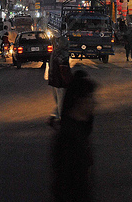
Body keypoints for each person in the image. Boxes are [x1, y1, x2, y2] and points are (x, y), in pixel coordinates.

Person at [52, 70, 97, 202]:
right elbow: (66, 181)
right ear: (79, 100)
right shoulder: (70, 137)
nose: (94, 103)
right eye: (90, 98)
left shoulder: (79, 126)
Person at [47, 36, 72, 126]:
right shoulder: (63, 54)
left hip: (54, 81)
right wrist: (69, 81)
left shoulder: (55, 52)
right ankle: (61, 119)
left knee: (58, 101)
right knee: (62, 101)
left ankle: (56, 115)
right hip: (60, 82)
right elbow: (63, 69)